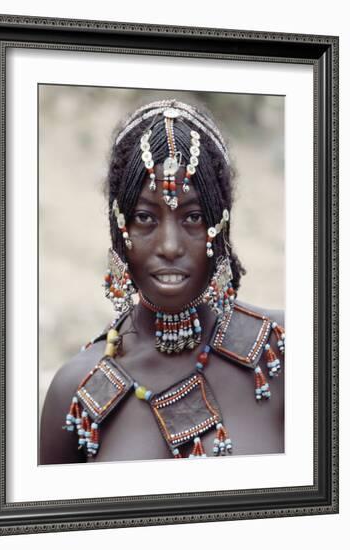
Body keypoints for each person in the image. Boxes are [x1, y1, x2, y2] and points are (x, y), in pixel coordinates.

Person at [40, 99, 285, 464]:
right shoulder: (75, 391)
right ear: (118, 227)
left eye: (194, 217)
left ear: (221, 226)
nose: (169, 246)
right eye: (144, 218)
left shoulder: (283, 351)